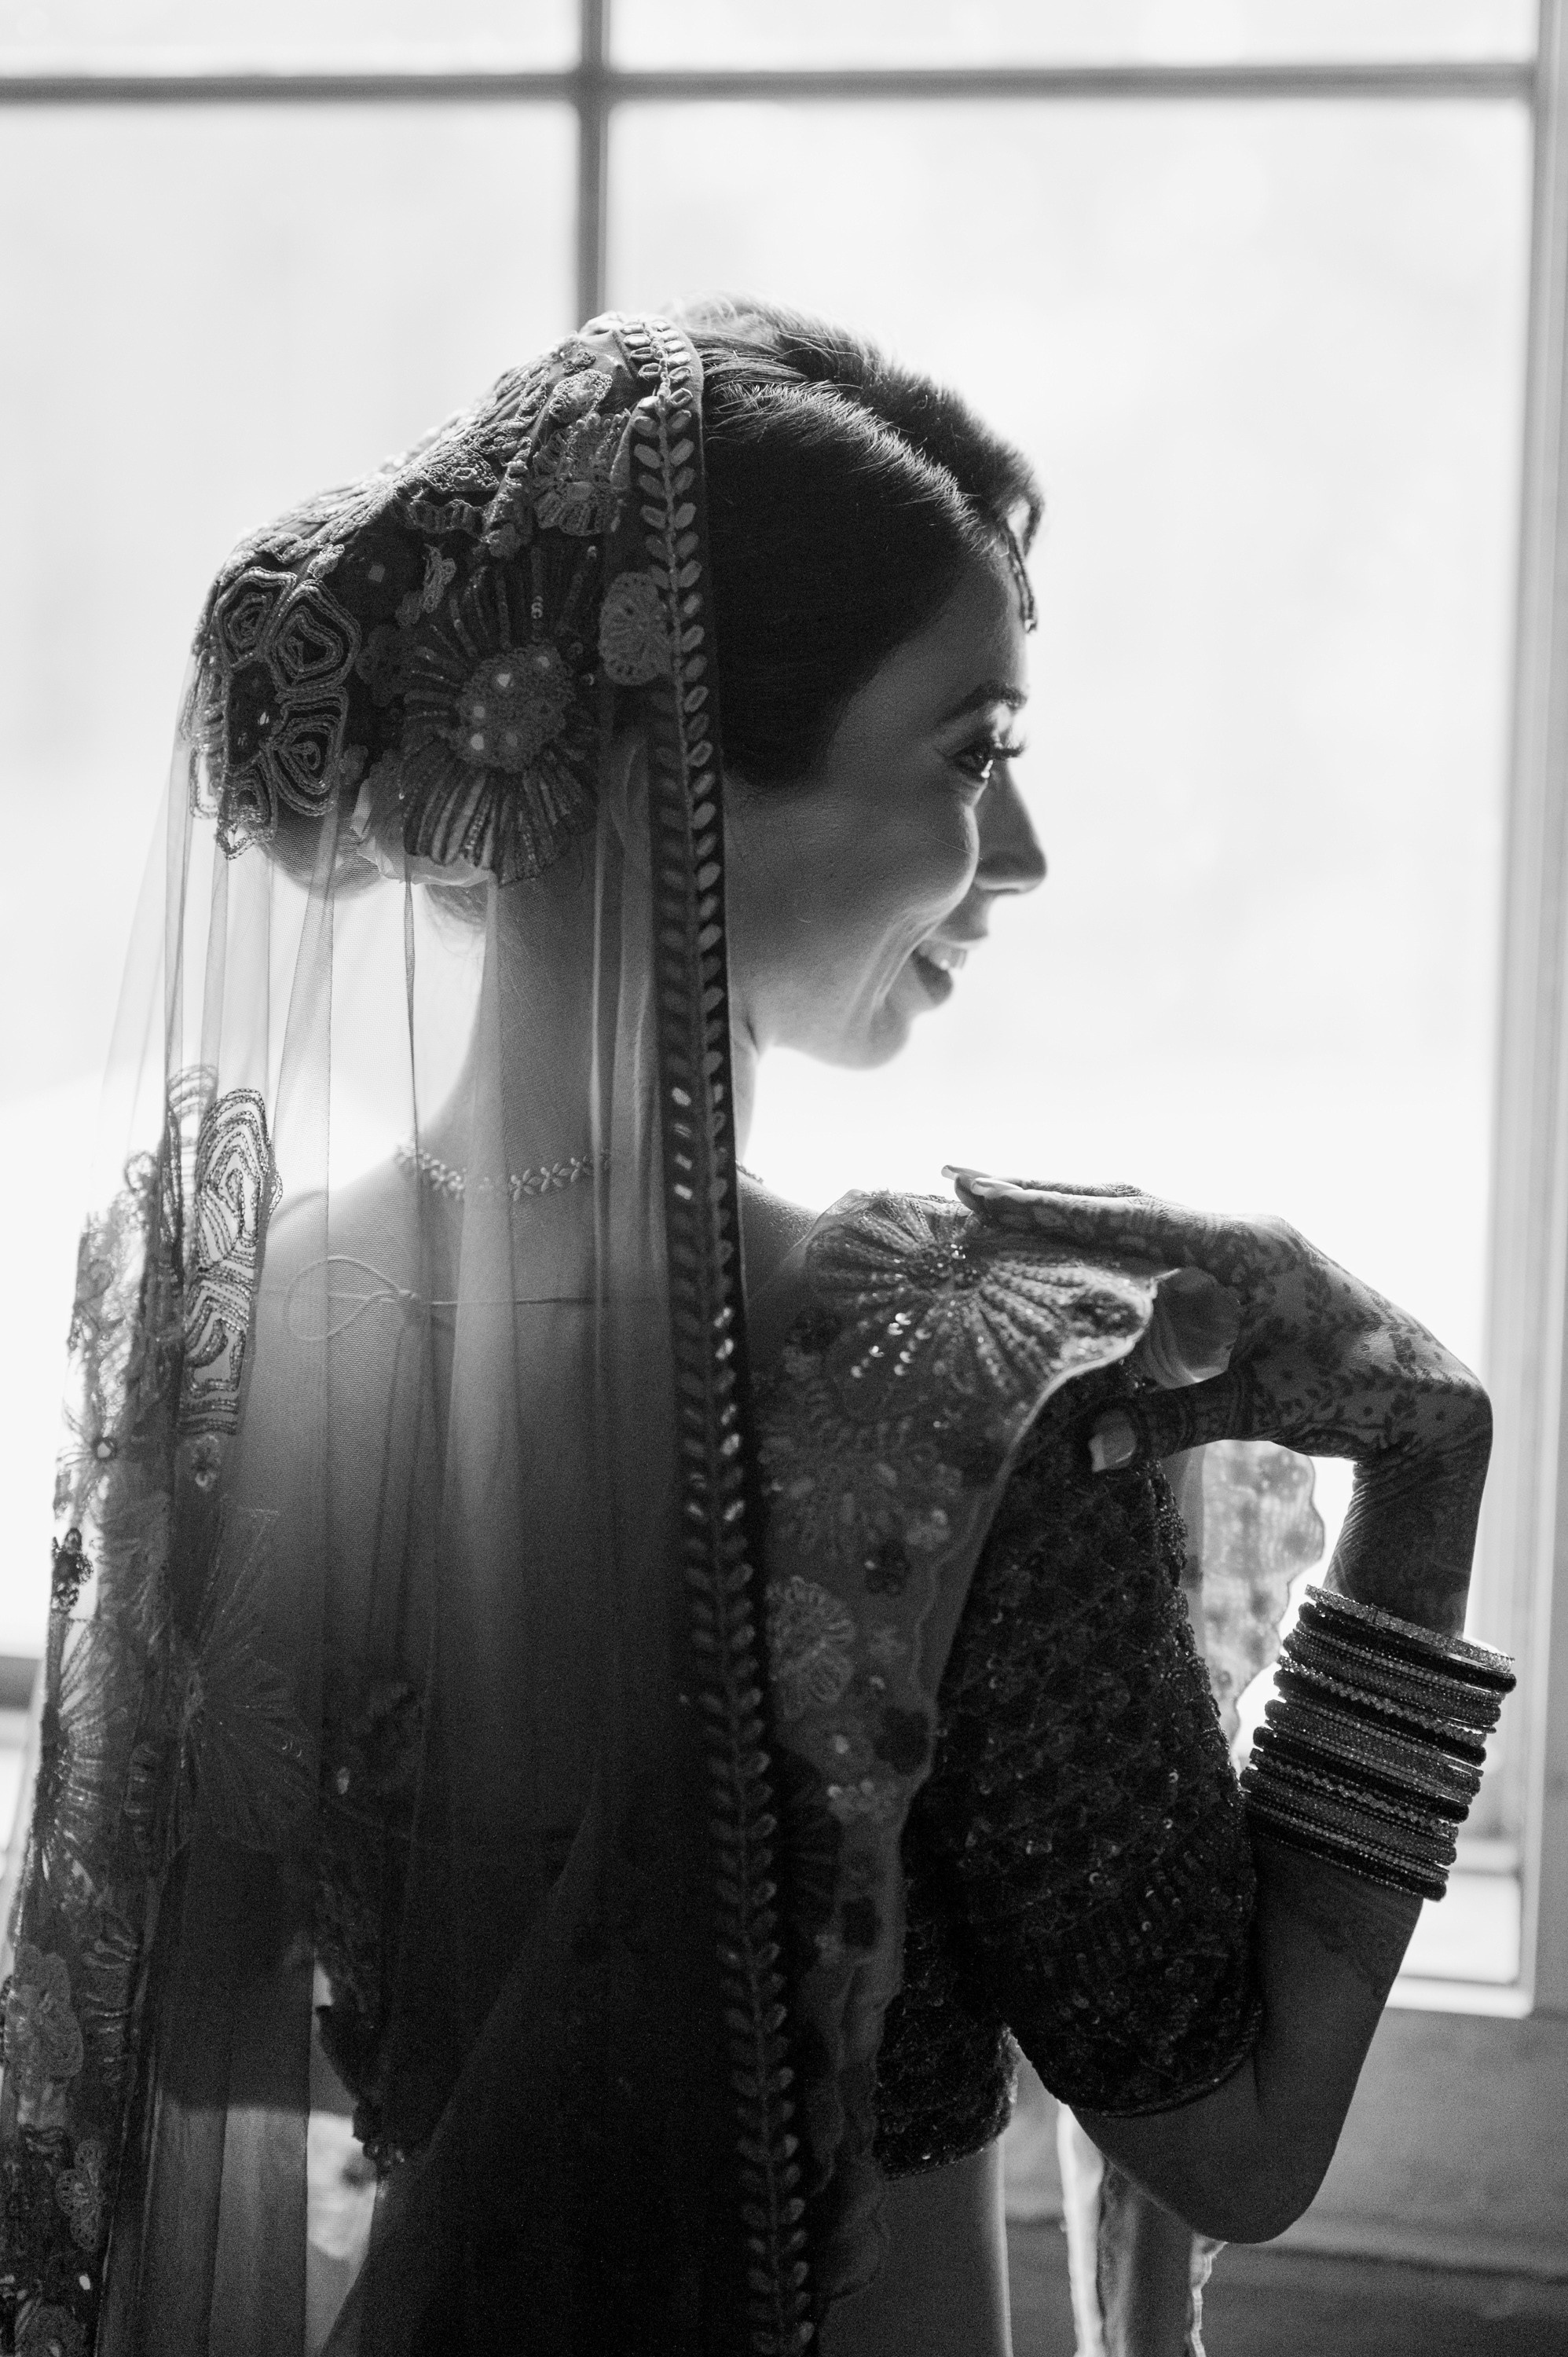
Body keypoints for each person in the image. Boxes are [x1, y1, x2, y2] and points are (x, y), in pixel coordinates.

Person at [0, 302, 1510, 2357]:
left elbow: (188, 2035)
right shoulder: (952, 1395)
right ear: (665, 782)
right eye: (969, 754)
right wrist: (1422, 1466)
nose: (1024, 857)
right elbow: (1231, 2145)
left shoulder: (240, 1320)